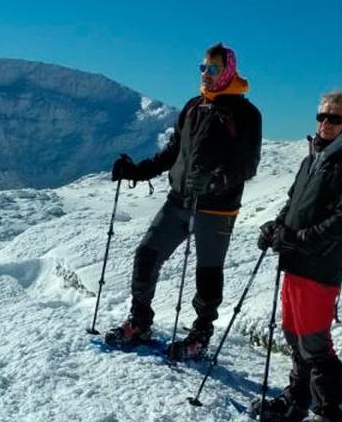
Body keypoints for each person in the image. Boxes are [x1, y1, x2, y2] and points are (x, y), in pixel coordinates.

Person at [105, 43, 262, 359]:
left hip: (217, 208)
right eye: (202, 68)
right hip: (179, 201)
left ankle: (200, 335)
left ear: (228, 71)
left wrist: (216, 180)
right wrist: (135, 170)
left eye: (213, 69)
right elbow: (171, 154)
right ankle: (140, 320)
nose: (206, 74)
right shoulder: (193, 107)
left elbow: (247, 164)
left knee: (207, 272)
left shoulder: (246, 113)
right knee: (147, 253)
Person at [253, 90, 342, 422]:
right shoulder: (314, 157)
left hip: (321, 263)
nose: (325, 123)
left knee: (314, 340)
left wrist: (298, 239)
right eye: (321, 116)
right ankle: (296, 399)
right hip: (296, 259)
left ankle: (327, 418)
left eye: (334, 118)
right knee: (293, 332)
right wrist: (277, 227)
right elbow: (293, 203)